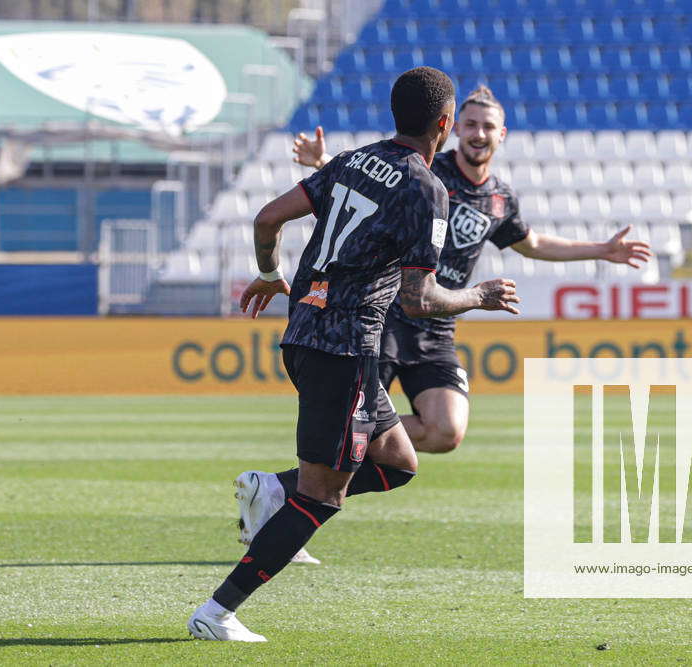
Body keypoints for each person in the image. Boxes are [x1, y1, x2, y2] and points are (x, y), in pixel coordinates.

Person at [187, 67, 520, 642]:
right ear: (444, 124)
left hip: (306, 332)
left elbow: (267, 217)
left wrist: (270, 274)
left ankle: (274, 489)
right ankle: (217, 612)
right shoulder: (427, 189)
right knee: (324, 494)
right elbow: (419, 300)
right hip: (346, 348)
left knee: (398, 463)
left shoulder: (351, 160)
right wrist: (479, 296)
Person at [292, 85, 651, 456]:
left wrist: (602, 250)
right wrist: (324, 163)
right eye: (472, 124)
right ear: (455, 128)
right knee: (351, 430)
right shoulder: (428, 172)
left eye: (488, 127)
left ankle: (346, 439)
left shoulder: (500, 198)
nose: (480, 134)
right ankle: (307, 477)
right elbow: (376, 184)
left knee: (445, 431)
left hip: (437, 328)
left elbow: (533, 244)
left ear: (502, 134)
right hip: (387, 318)